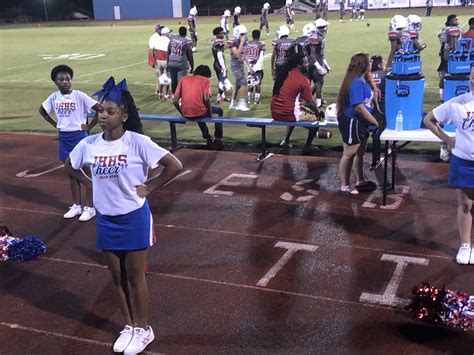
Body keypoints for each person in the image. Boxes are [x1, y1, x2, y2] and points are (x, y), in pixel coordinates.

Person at [65, 77, 183, 353]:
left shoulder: (138, 142)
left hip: (133, 216)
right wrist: (88, 183)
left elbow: (174, 165)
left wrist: (150, 187)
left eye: (110, 111)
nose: (103, 116)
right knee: (116, 278)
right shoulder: (89, 144)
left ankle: (143, 330)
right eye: (100, 111)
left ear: (124, 115)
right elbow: (70, 165)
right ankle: (128, 325)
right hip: (106, 218)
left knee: (134, 276)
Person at [422, 64, 474, 265]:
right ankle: (465, 245)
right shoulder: (458, 103)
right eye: (471, 76)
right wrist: (447, 139)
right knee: (465, 205)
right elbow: (429, 120)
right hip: (463, 161)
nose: (472, 80)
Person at [39, 64, 100, 222]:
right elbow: (42, 110)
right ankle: (76, 206)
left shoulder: (79, 95)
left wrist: (90, 126)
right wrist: (55, 125)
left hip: (79, 136)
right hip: (64, 137)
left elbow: (100, 108)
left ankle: (90, 208)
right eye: (61, 79)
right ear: (55, 82)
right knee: (71, 174)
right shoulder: (53, 97)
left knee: (85, 170)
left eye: (67, 79)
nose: (65, 82)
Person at [336, 53, 381, 195]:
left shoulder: (362, 79)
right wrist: (374, 121)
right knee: (349, 154)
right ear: (363, 65)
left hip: (359, 122)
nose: (371, 62)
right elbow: (359, 107)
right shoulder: (356, 83)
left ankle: (360, 179)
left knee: (359, 152)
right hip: (352, 121)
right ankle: (344, 185)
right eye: (369, 61)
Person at [271, 53, 325, 155]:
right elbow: (310, 102)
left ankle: (286, 141)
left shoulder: (283, 74)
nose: (307, 64)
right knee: (315, 119)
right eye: (305, 63)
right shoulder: (302, 79)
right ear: (298, 65)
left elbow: (300, 101)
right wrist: (318, 113)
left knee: (297, 109)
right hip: (288, 113)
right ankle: (308, 146)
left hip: (275, 113)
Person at [173, 65, 225, 150]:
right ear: (206, 75)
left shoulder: (183, 79)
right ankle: (218, 138)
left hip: (186, 112)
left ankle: (207, 138)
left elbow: (175, 100)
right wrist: (210, 113)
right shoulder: (205, 80)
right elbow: (206, 98)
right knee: (218, 110)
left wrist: (182, 112)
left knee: (197, 110)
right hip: (199, 112)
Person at [437, 14, 463, 161]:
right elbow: (447, 52)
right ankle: (444, 147)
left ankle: (445, 148)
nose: (457, 21)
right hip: (449, 70)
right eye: (455, 19)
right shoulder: (448, 32)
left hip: (448, 70)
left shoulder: (444, 32)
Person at [369, 55, 387, 170]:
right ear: (380, 64)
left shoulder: (367, 76)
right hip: (383, 109)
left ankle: (374, 160)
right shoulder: (385, 75)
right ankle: (376, 160)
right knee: (378, 133)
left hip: (368, 110)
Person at [228, 24, 250, 111]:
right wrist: (241, 43)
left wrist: (249, 66)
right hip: (235, 67)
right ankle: (241, 104)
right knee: (244, 83)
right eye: (242, 34)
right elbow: (237, 54)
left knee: (237, 85)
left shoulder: (244, 41)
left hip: (240, 66)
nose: (244, 36)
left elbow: (243, 54)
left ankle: (232, 104)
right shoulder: (232, 41)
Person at [167, 26, 194, 95]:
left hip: (171, 62)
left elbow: (168, 51)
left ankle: (174, 95)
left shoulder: (173, 38)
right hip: (181, 63)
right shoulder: (186, 41)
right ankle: (180, 97)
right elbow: (190, 55)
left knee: (173, 80)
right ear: (186, 33)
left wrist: (168, 63)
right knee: (181, 81)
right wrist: (192, 66)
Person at [148, 26, 172, 99]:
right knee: (166, 78)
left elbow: (152, 50)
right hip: (165, 61)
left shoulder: (157, 40)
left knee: (160, 77)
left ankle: (160, 93)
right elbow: (170, 52)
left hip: (158, 61)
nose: (170, 34)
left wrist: (153, 59)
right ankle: (165, 94)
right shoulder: (169, 41)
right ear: (166, 33)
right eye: (169, 33)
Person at [246, 29, 265, 105]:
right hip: (258, 66)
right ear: (259, 35)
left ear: (252, 35)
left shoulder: (248, 43)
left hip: (250, 66)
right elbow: (261, 56)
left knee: (250, 82)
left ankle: (249, 100)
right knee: (258, 83)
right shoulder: (261, 44)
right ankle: (256, 101)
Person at [211, 27, 228, 103]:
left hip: (216, 63)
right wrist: (223, 67)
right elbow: (219, 55)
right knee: (223, 81)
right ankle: (218, 98)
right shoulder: (219, 41)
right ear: (217, 34)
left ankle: (223, 97)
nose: (223, 34)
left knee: (221, 80)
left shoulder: (214, 40)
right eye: (221, 33)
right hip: (219, 64)